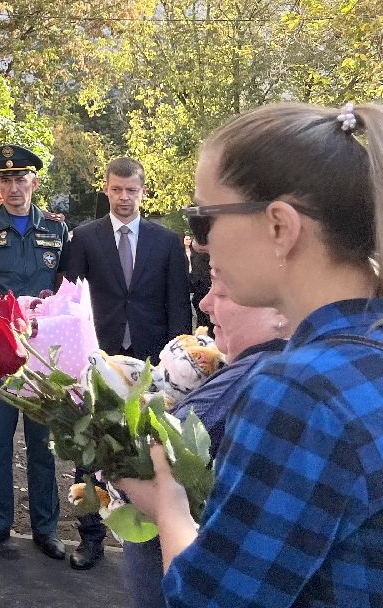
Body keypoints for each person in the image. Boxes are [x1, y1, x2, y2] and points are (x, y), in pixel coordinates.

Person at [119, 101, 383, 608]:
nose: (201, 247)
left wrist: (168, 506)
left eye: (203, 221)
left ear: (280, 226)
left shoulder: (301, 390)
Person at [120, 274, 291, 608]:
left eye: (223, 292)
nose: (205, 303)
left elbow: (148, 461)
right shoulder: (278, 369)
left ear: (280, 310)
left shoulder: (243, 383)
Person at [66, 156, 190, 569]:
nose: (123, 197)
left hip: (150, 363)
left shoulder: (167, 242)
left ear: (143, 191)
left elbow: (177, 305)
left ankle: (149, 538)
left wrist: (175, 366)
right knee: (90, 449)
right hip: (98, 363)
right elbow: (71, 304)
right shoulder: (84, 238)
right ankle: (90, 538)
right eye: (116, 189)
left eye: (131, 190)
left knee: (149, 449)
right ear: (106, 189)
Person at [0, 144, 69, 559]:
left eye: (21, 179)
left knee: (43, 444)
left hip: (41, 355)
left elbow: (64, 288)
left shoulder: (57, 229)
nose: (14, 187)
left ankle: (46, 528)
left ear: (35, 183)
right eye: (5, 180)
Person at [185, 236, 212, 331]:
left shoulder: (198, 254)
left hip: (202, 288)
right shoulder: (196, 254)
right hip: (201, 288)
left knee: (204, 321)